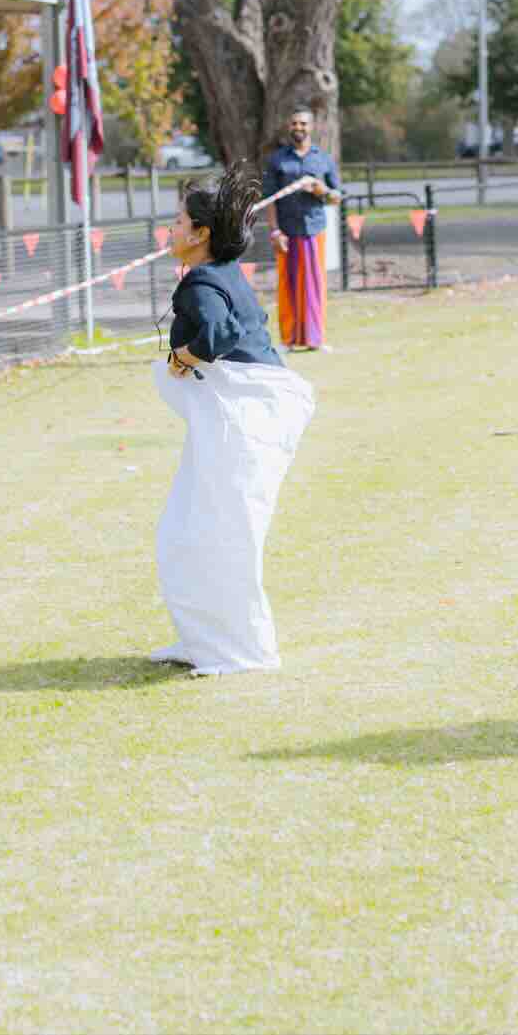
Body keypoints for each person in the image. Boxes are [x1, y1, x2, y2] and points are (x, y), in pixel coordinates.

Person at [151, 167, 316, 676]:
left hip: (247, 420)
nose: (170, 230)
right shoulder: (221, 275)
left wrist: (185, 357)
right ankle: (203, 640)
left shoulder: (201, 279)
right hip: (247, 416)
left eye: (178, 222)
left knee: (223, 532)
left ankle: (242, 653)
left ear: (201, 233)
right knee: (186, 529)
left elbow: (219, 335)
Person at [262, 105, 341, 351]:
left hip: (314, 229)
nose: (298, 127)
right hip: (286, 231)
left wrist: (323, 191)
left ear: (312, 127)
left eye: (303, 123)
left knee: (314, 285)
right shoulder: (277, 159)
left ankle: (315, 339)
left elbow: (337, 197)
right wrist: (275, 231)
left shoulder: (323, 159)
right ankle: (288, 339)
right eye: (294, 123)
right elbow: (270, 198)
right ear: (289, 127)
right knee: (288, 284)